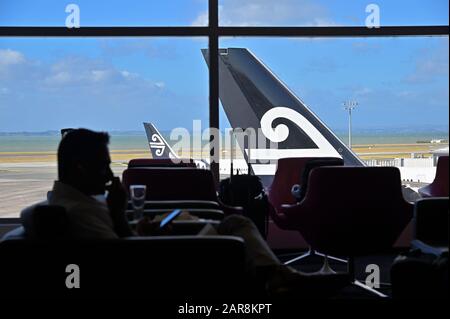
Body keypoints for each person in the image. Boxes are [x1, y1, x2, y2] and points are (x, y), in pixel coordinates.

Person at [43, 128, 347, 296]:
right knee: (234, 226)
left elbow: (119, 245)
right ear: (81, 168)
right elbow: (123, 257)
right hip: (165, 257)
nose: (111, 173)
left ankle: (280, 275)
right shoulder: (80, 212)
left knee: (232, 222)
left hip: (149, 245)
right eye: (104, 165)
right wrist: (123, 217)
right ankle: (281, 277)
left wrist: (135, 225)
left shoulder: (72, 202)